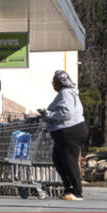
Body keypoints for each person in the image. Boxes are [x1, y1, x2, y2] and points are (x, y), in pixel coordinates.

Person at [41, 68, 88, 201]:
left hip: (69, 131)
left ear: (60, 82)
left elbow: (66, 113)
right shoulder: (68, 93)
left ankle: (77, 192)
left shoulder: (65, 93)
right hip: (70, 130)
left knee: (69, 161)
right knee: (58, 159)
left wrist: (47, 114)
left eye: (54, 81)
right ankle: (69, 188)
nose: (53, 84)